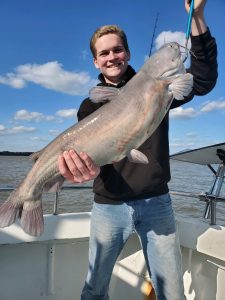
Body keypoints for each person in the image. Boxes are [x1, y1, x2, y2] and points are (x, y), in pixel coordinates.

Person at [58, 0, 218, 299]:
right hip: (108, 206)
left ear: (127, 53)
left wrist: (196, 18)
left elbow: (205, 79)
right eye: (103, 53)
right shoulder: (89, 106)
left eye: (117, 50)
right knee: (94, 289)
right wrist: (82, 169)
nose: (112, 57)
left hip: (156, 202)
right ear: (95, 61)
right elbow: (92, 158)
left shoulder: (159, 86)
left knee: (172, 292)